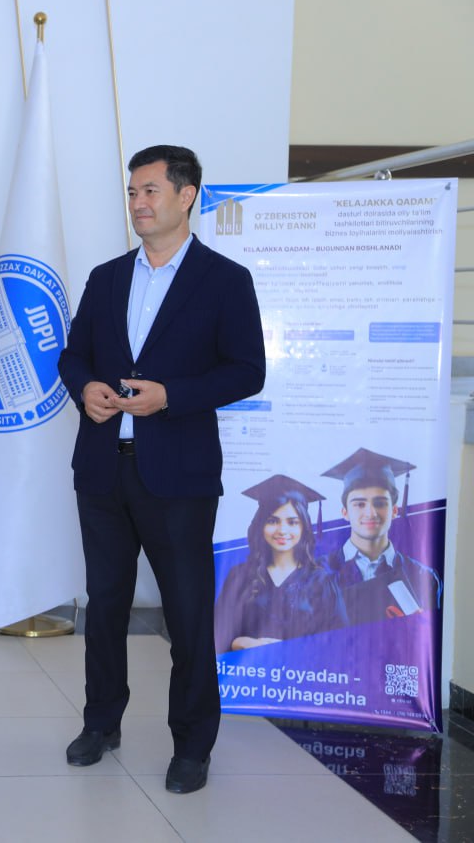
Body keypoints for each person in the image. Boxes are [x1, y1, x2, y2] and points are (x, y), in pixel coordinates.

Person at [56, 145, 266, 794]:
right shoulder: (107, 277)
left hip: (179, 477)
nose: (138, 203)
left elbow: (247, 370)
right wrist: (85, 388)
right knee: (105, 608)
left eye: (150, 190)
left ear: (186, 195)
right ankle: (101, 723)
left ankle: (193, 745)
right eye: (132, 192)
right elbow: (73, 355)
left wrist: (171, 396)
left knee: (187, 614)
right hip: (103, 470)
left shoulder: (224, 280)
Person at [214, 475, 347, 654]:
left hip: (301, 671)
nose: (282, 530)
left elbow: (339, 643)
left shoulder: (322, 582)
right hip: (248, 669)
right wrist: (243, 643)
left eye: (292, 522)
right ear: (260, 525)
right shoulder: (239, 576)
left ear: (304, 527)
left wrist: (292, 651)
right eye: (272, 521)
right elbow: (217, 634)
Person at [320, 448, 440, 626]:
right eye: (359, 504)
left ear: (394, 510)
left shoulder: (424, 578)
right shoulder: (315, 576)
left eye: (380, 503)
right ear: (345, 513)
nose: (371, 513)